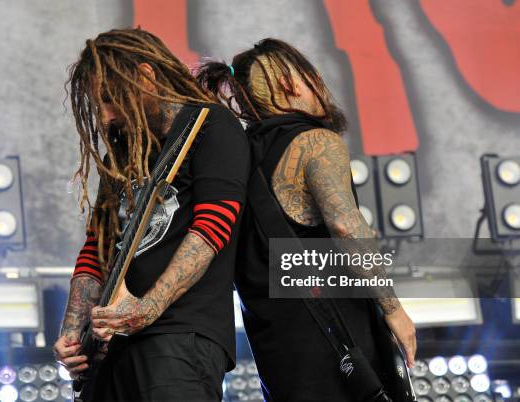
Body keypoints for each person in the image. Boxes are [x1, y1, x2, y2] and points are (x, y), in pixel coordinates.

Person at [198, 38, 416, 401]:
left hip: (280, 362)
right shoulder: (316, 141)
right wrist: (394, 310)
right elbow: (346, 225)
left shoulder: (237, 163)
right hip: (340, 353)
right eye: (314, 76)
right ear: (292, 83)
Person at [53, 28, 250, 401]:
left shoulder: (210, 125)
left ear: (146, 76)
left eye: (112, 100)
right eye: (99, 106)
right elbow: (96, 249)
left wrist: (148, 307)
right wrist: (73, 332)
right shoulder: (122, 152)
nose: (107, 117)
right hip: (111, 350)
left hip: (179, 337)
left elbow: (212, 228)